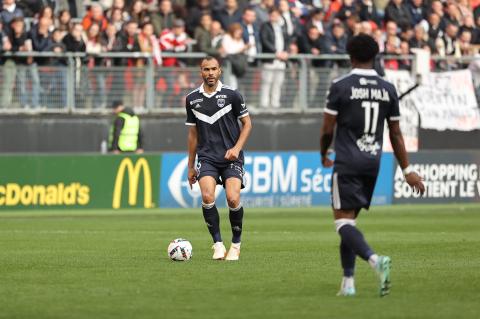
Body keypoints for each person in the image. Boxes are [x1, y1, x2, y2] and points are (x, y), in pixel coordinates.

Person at [320, 34, 425, 297]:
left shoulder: (340, 85)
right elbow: (396, 133)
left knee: (341, 223)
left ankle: (375, 260)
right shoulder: (387, 88)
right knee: (349, 223)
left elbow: (326, 129)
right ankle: (348, 283)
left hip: (346, 161)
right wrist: (407, 169)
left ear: (350, 55)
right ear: (375, 56)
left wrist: (324, 152)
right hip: (372, 162)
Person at [185, 56, 252, 261]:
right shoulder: (192, 99)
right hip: (207, 157)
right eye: (206, 69)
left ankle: (236, 245)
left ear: (220, 71)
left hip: (231, 157)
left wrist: (237, 148)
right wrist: (190, 166)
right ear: (201, 72)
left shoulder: (232, 95)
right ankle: (218, 244)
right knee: (207, 197)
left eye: (214, 69)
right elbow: (193, 135)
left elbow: (247, 124)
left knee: (232, 198)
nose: (210, 73)